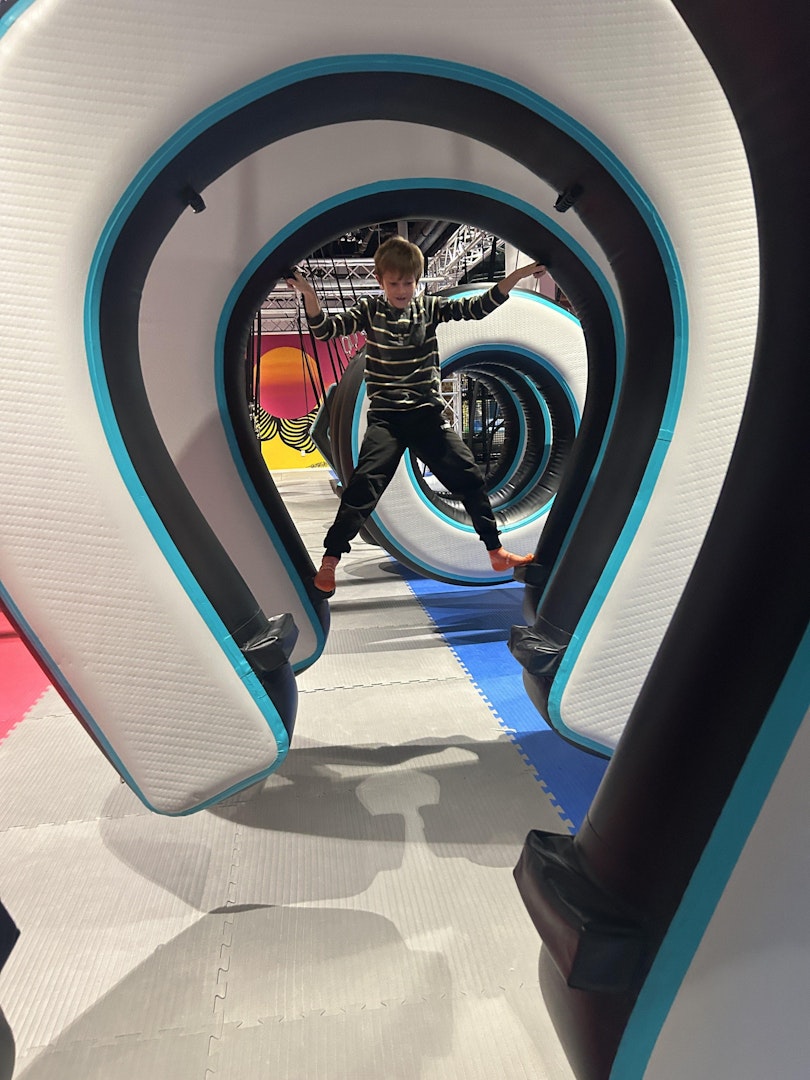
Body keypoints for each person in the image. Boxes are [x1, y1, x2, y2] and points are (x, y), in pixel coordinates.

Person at [286, 236, 546, 594]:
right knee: (363, 486)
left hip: (427, 417)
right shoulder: (370, 311)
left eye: (408, 283)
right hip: (387, 421)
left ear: (417, 280)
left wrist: (515, 276)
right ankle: (330, 560)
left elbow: (477, 307)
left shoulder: (429, 308)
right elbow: (325, 330)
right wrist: (308, 295)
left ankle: (495, 551)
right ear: (380, 280)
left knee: (469, 476)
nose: (402, 290)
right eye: (394, 283)